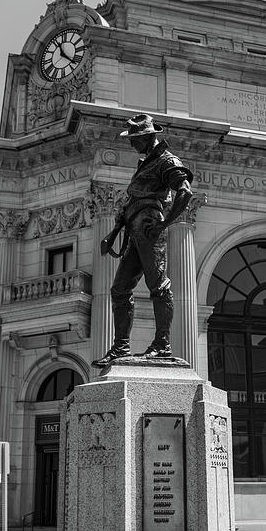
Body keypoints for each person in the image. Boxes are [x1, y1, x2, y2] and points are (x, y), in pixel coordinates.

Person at [92, 113, 193, 367]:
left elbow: (184, 191)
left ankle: (162, 344)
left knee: (159, 285)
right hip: (133, 227)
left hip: (148, 225)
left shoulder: (166, 161)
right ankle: (121, 348)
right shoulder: (145, 163)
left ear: (147, 136)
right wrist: (113, 234)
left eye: (134, 138)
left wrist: (166, 223)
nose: (131, 143)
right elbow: (129, 204)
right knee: (119, 289)